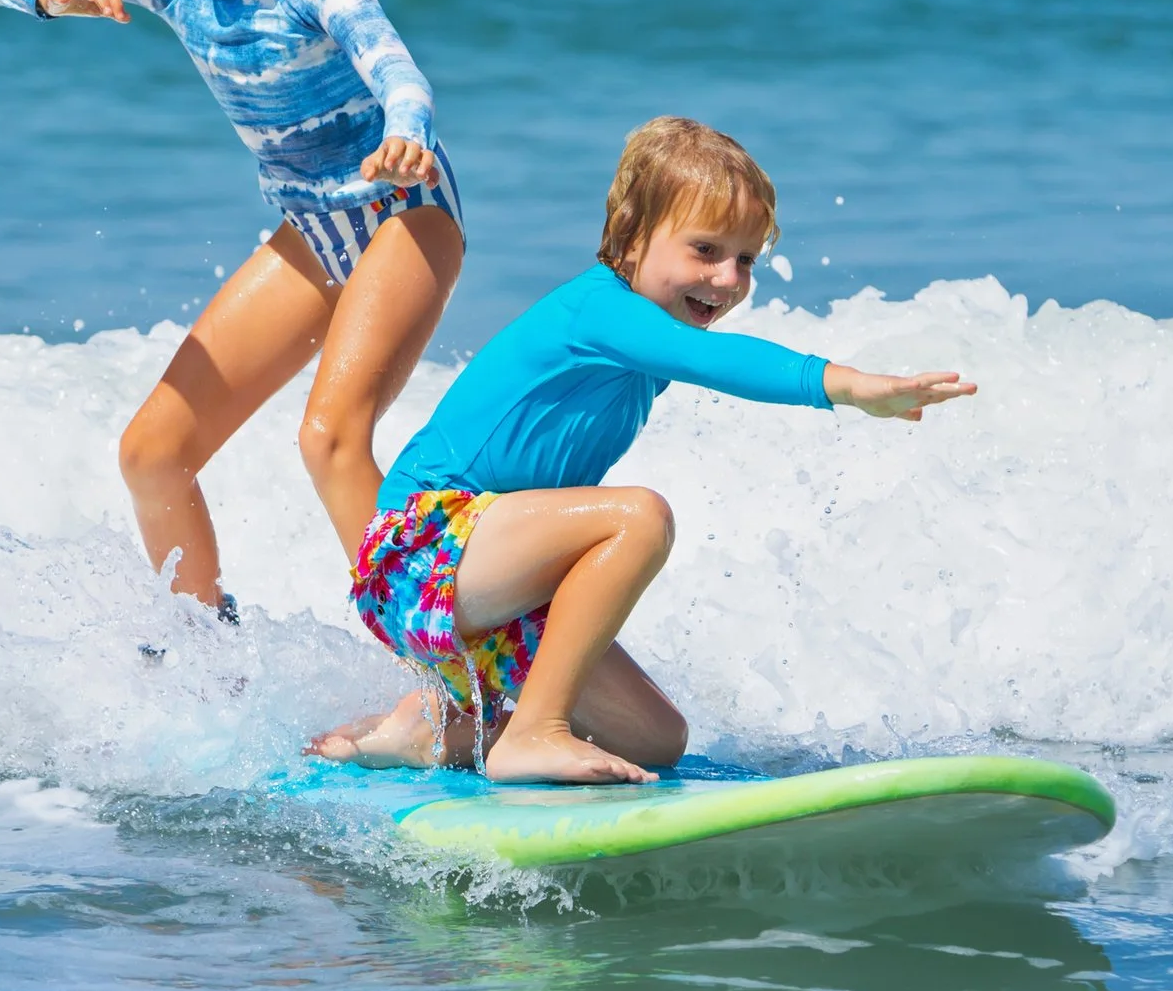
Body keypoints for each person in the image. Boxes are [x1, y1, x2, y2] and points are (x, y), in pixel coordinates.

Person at [314, 117, 976, 784]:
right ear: (631, 238)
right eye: (706, 249)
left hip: (494, 577)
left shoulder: (643, 342)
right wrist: (850, 386)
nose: (727, 278)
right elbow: (715, 358)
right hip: (417, 551)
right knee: (638, 516)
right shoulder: (600, 312)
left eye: (745, 259)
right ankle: (532, 735)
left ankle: (433, 731)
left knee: (656, 738)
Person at [0, 0, 461, 611]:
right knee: (153, 452)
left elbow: (396, 69)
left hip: (403, 212)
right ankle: (206, 668)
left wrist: (408, 133)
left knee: (331, 440)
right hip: (314, 229)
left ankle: (454, 672)